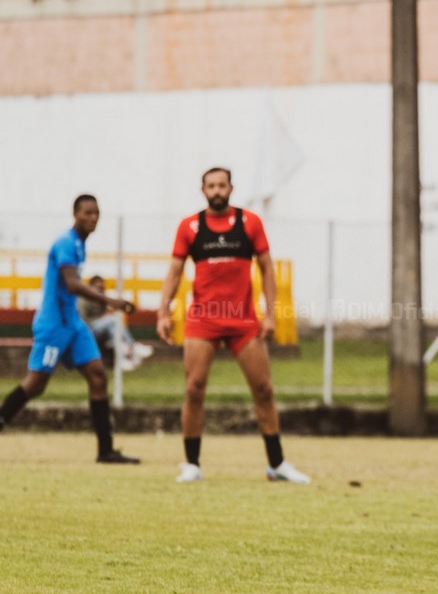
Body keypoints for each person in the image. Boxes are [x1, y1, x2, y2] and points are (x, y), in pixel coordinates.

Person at [156, 167, 310, 484]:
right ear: (203, 190)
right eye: (211, 186)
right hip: (203, 319)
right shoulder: (189, 227)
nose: (217, 191)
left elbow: (267, 269)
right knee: (193, 389)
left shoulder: (250, 223)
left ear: (231, 188)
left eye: (222, 185)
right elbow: (174, 272)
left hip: (242, 320)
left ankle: (277, 464)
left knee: (264, 389)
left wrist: (270, 314)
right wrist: (163, 312)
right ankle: (191, 464)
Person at [0, 195, 141, 464]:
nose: (93, 218)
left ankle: (106, 451)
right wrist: (111, 301)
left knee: (98, 376)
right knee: (35, 384)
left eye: (96, 213)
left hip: (73, 324)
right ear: (75, 214)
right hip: (53, 325)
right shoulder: (65, 242)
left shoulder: (79, 244)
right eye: (87, 212)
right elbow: (72, 284)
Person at [79, 275, 154, 371]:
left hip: (102, 329)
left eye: (102, 288)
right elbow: (82, 318)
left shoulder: (101, 299)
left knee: (115, 331)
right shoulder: (84, 299)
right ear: (91, 287)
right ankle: (132, 346)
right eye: (98, 288)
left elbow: (105, 314)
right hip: (88, 330)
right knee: (113, 320)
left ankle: (122, 360)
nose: (100, 290)